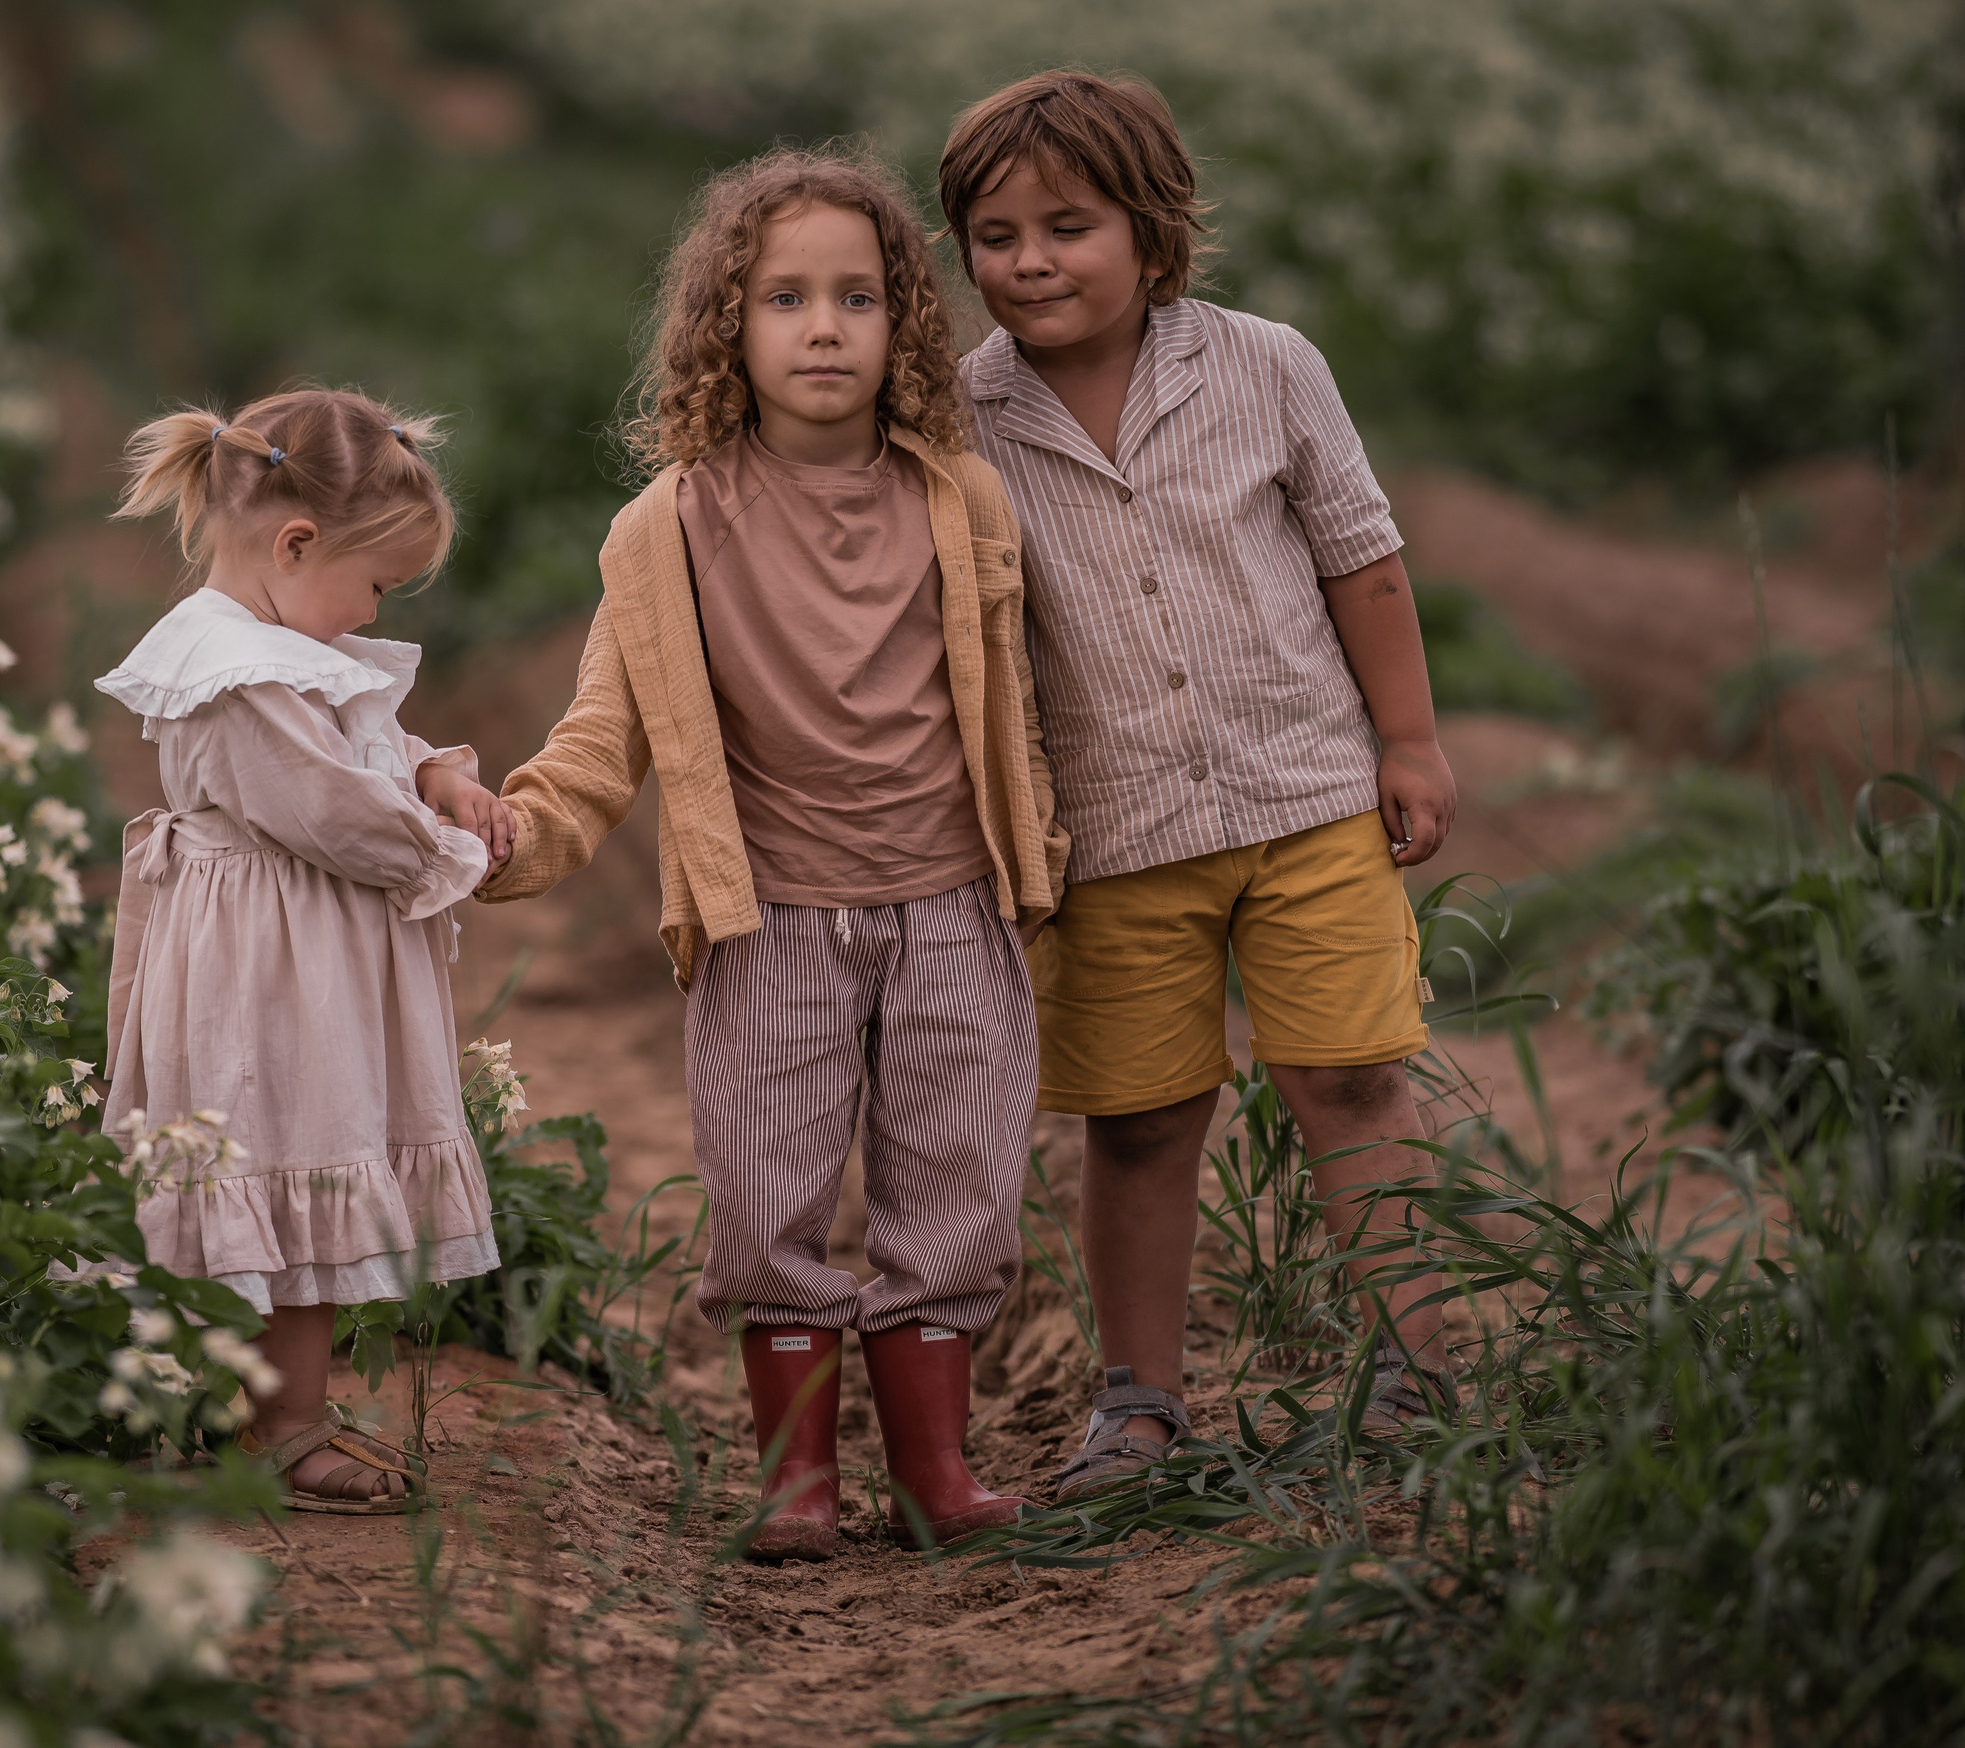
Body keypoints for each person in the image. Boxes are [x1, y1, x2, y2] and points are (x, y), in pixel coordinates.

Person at [476, 148, 1064, 1558]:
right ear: (727, 328)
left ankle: (937, 1474)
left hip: (950, 908)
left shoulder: (960, 501)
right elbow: (607, 729)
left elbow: (1029, 696)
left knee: (960, 1197)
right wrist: (506, 833)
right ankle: (797, 1483)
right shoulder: (669, 527)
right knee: (769, 1203)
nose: (822, 328)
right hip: (770, 923)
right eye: (785, 297)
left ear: (903, 324)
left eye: (857, 298)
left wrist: (1049, 851)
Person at [938, 70, 1460, 1503]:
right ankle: (1140, 1403)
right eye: (994, 234)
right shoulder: (957, 420)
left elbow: (1363, 557)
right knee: (1144, 1116)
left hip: (1306, 792)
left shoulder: (1268, 363)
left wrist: (1407, 741)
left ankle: (1423, 1368)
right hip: (1112, 832)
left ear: (1153, 232)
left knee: (1351, 1076)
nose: (1031, 259)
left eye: (1069, 224)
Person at [95, 387, 516, 1513]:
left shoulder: (275, 647)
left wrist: (434, 768)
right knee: (283, 1150)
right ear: (295, 542)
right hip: (266, 974)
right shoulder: (232, 671)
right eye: (375, 585)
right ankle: (266, 1421)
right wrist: (448, 848)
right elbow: (333, 806)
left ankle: (263, 1409)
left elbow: (363, 740)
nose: (372, 611)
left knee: (294, 1162)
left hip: (295, 956)